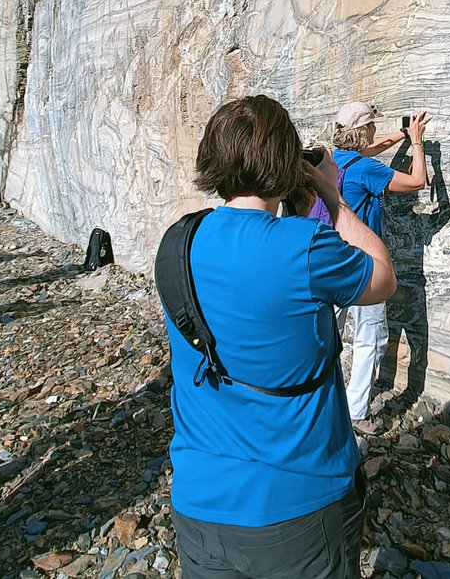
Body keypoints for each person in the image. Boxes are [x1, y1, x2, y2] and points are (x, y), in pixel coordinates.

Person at [163, 95, 396, 578]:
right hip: (299, 504)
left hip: (200, 501)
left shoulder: (178, 240)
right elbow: (381, 279)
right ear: (285, 162)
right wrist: (331, 197)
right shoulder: (303, 246)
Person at [331, 102, 431, 433]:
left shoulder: (334, 160)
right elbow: (418, 181)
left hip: (332, 258)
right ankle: (357, 411)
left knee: (328, 334)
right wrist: (417, 142)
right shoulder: (367, 170)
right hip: (365, 264)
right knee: (370, 336)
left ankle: (323, 402)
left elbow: (371, 147)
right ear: (362, 131)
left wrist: (401, 133)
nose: (375, 131)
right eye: (372, 125)